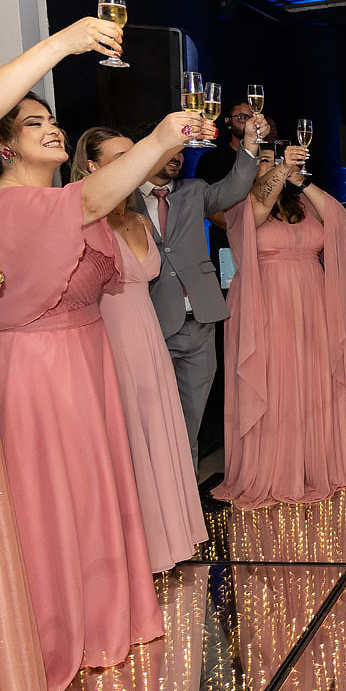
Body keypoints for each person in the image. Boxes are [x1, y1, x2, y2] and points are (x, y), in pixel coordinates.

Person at [0, 16, 217, 690]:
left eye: (51, 121)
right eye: (32, 123)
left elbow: (102, 215)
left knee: (93, 496)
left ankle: (102, 612)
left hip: (89, 360)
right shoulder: (11, 207)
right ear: (5, 147)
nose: (50, 128)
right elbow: (98, 192)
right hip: (37, 371)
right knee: (53, 501)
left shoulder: (68, 203)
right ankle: (60, 625)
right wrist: (161, 135)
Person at [72, 127, 209, 570]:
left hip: (148, 336)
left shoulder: (140, 217)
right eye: (117, 158)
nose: (131, 164)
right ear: (92, 167)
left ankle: (170, 534)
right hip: (109, 338)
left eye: (134, 155)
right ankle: (135, 548)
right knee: (127, 437)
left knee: (160, 432)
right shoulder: (81, 221)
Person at [212, 145, 346, 508]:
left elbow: (337, 217)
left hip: (311, 306)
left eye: (273, 159)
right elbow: (261, 207)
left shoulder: (303, 206)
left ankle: (310, 465)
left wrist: (302, 180)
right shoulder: (239, 207)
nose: (272, 165)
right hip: (266, 306)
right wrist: (279, 169)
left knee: (311, 382)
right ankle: (274, 470)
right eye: (263, 160)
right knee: (274, 382)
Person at [134, 106, 266, 468]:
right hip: (152, 325)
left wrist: (251, 145)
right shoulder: (124, 200)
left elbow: (237, 186)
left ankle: (186, 501)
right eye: (170, 148)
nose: (178, 156)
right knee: (153, 423)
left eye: (181, 150)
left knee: (188, 423)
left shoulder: (194, 192)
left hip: (201, 324)